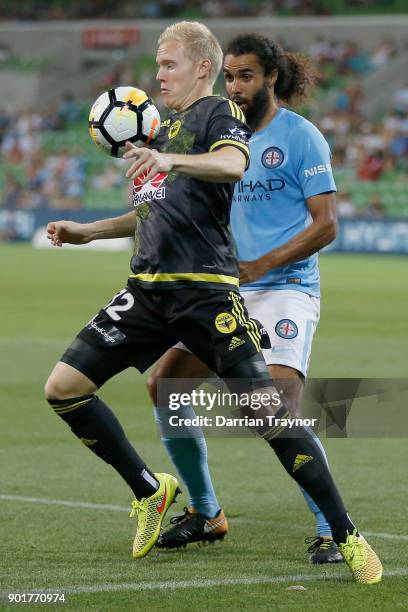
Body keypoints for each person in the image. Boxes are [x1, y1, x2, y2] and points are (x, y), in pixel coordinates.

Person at [45, 22, 382, 584]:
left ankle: (342, 531)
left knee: (270, 410)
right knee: (66, 389)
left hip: (207, 293)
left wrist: (171, 161)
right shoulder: (165, 127)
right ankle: (156, 493)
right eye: (157, 65)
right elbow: (158, 210)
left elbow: (231, 164)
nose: (158, 75)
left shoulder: (217, 116)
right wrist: (90, 230)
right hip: (148, 292)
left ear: (202, 68)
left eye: (168, 64)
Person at [148, 33, 347, 565]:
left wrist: (261, 264)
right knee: (166, 385)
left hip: (286, 289)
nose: (234, 87)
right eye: (230, 76)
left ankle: (333, 529)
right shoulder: (216, 136)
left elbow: (326, 225)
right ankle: (207, 513)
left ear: (272, 78)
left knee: (275, 408)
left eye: (246, 76)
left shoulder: (301, 138)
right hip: (225, 289)